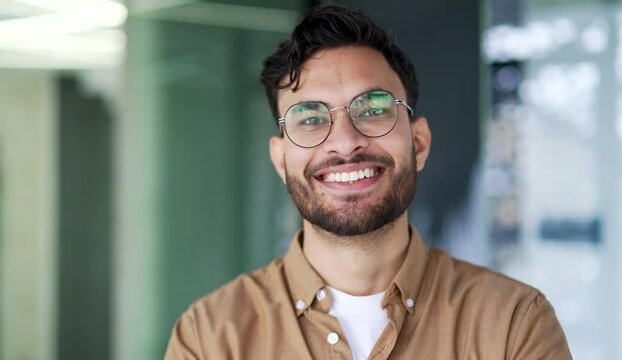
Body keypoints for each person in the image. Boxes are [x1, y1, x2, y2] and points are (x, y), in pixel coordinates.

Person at [164, 5, 572, 360]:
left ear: (419, 143)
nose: (344, 142)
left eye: (373, 109)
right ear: (281, 159)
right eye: (310, 118)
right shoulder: (210, 337)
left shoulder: (513, 325)